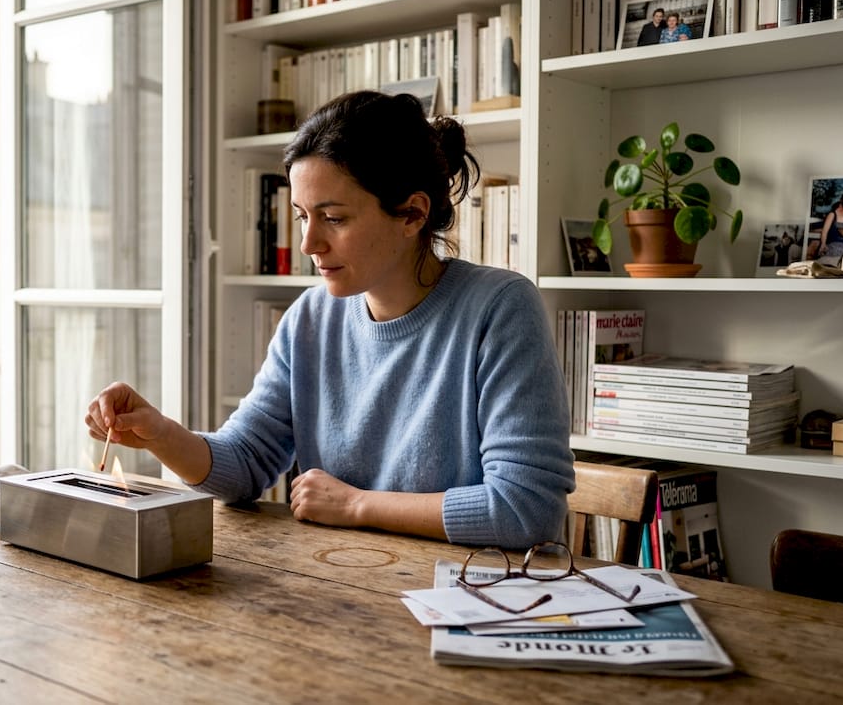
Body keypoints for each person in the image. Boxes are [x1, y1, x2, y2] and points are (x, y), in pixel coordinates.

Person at [85, 91, 575, 549]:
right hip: (340, 589)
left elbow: (525, 507)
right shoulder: (310, 318)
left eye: (334, 218)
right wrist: (160, 433)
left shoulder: (500, 308)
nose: (308, 244)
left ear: (412, 214)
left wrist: (357, 504)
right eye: (302, 216)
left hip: (466, 601)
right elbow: (245, 464)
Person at [816, 194, 843, 266]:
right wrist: (823, 244)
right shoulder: (832, 215)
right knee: (837, 253)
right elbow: (825, 231)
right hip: (834, 244)